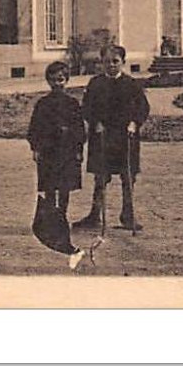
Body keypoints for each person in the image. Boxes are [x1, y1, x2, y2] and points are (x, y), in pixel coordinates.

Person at [74, 46, 151, 233]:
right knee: (101, 177)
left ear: (123, 62)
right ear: (102, 63)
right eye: (107, 61)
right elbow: (87, 108)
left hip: (126, 137)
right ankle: (95, 214)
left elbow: (143, 108)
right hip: (102, 136)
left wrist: (134, 123)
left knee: (128, 176)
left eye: (115, 61)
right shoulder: (96, 83)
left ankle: (128, 215)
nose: (111, 65)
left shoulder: (132, 84)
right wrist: (95, 122)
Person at [27, 60, 88, 269]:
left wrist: (79, 149)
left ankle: (62, 213)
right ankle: (51, 217)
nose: (57, 84)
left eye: (60, 80)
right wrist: (35, 147)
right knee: (50, 187)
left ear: (67, 80)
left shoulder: (72, 104)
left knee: (65, 187)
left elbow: (80, 129)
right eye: (53, 80)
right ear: (48, 81)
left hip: (67, 152)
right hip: (49, 152)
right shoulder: (43, 104)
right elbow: (34, 128)